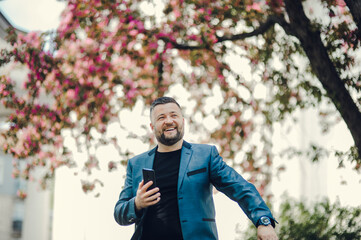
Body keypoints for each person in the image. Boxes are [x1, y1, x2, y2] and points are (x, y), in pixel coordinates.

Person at [114, 96, 278, 240]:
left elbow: (239, 187)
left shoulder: (205, 155)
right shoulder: (136, 164)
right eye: (161, 117)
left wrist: (262, 219)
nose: (169, 121)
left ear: (182, 121)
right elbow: (119, 213)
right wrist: (137, 203)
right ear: (152, 126)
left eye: (174, 115)